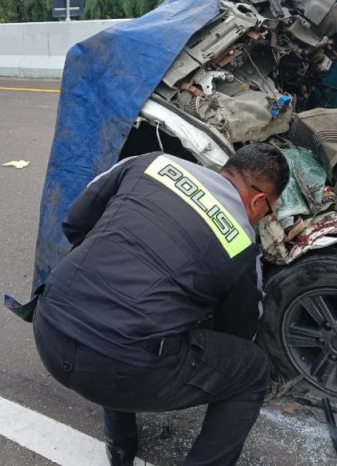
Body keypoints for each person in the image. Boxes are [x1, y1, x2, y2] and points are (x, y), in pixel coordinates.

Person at [32, 144, 290, 466]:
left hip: (49, 326)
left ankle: (120, 445)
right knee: (251, 369)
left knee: (124, 311)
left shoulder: (151, 162)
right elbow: (236, 333)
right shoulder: (240, 241)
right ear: (258, 201)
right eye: (269, 212)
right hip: (119, 370)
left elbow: (74, 223)